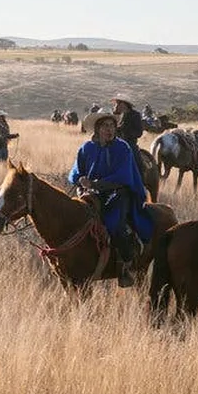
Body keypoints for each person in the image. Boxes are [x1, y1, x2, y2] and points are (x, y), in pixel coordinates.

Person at [68, 111, 153, 288]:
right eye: (105, 126)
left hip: (117, 193)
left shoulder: (122, 147)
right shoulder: (86, 148)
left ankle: (126, 265)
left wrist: (98, 184)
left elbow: (123, 174)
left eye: (112, 126)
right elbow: (75, 171)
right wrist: (80, 179)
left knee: (115, 225)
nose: (109, 129)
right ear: (98, 129)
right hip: (90, 194)